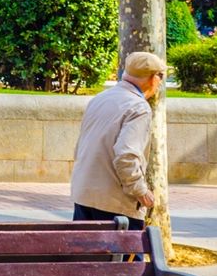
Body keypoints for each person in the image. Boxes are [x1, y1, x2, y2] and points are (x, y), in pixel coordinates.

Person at [70, 51, 164, 224]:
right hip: (115, 204)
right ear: (153, 79)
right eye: (161, 77)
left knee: (87, 251)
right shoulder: (139, 107)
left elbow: (81, 146)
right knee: (128, 251)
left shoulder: (101, 98)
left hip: (83, 195)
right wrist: (141, 191)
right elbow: (126, 156)